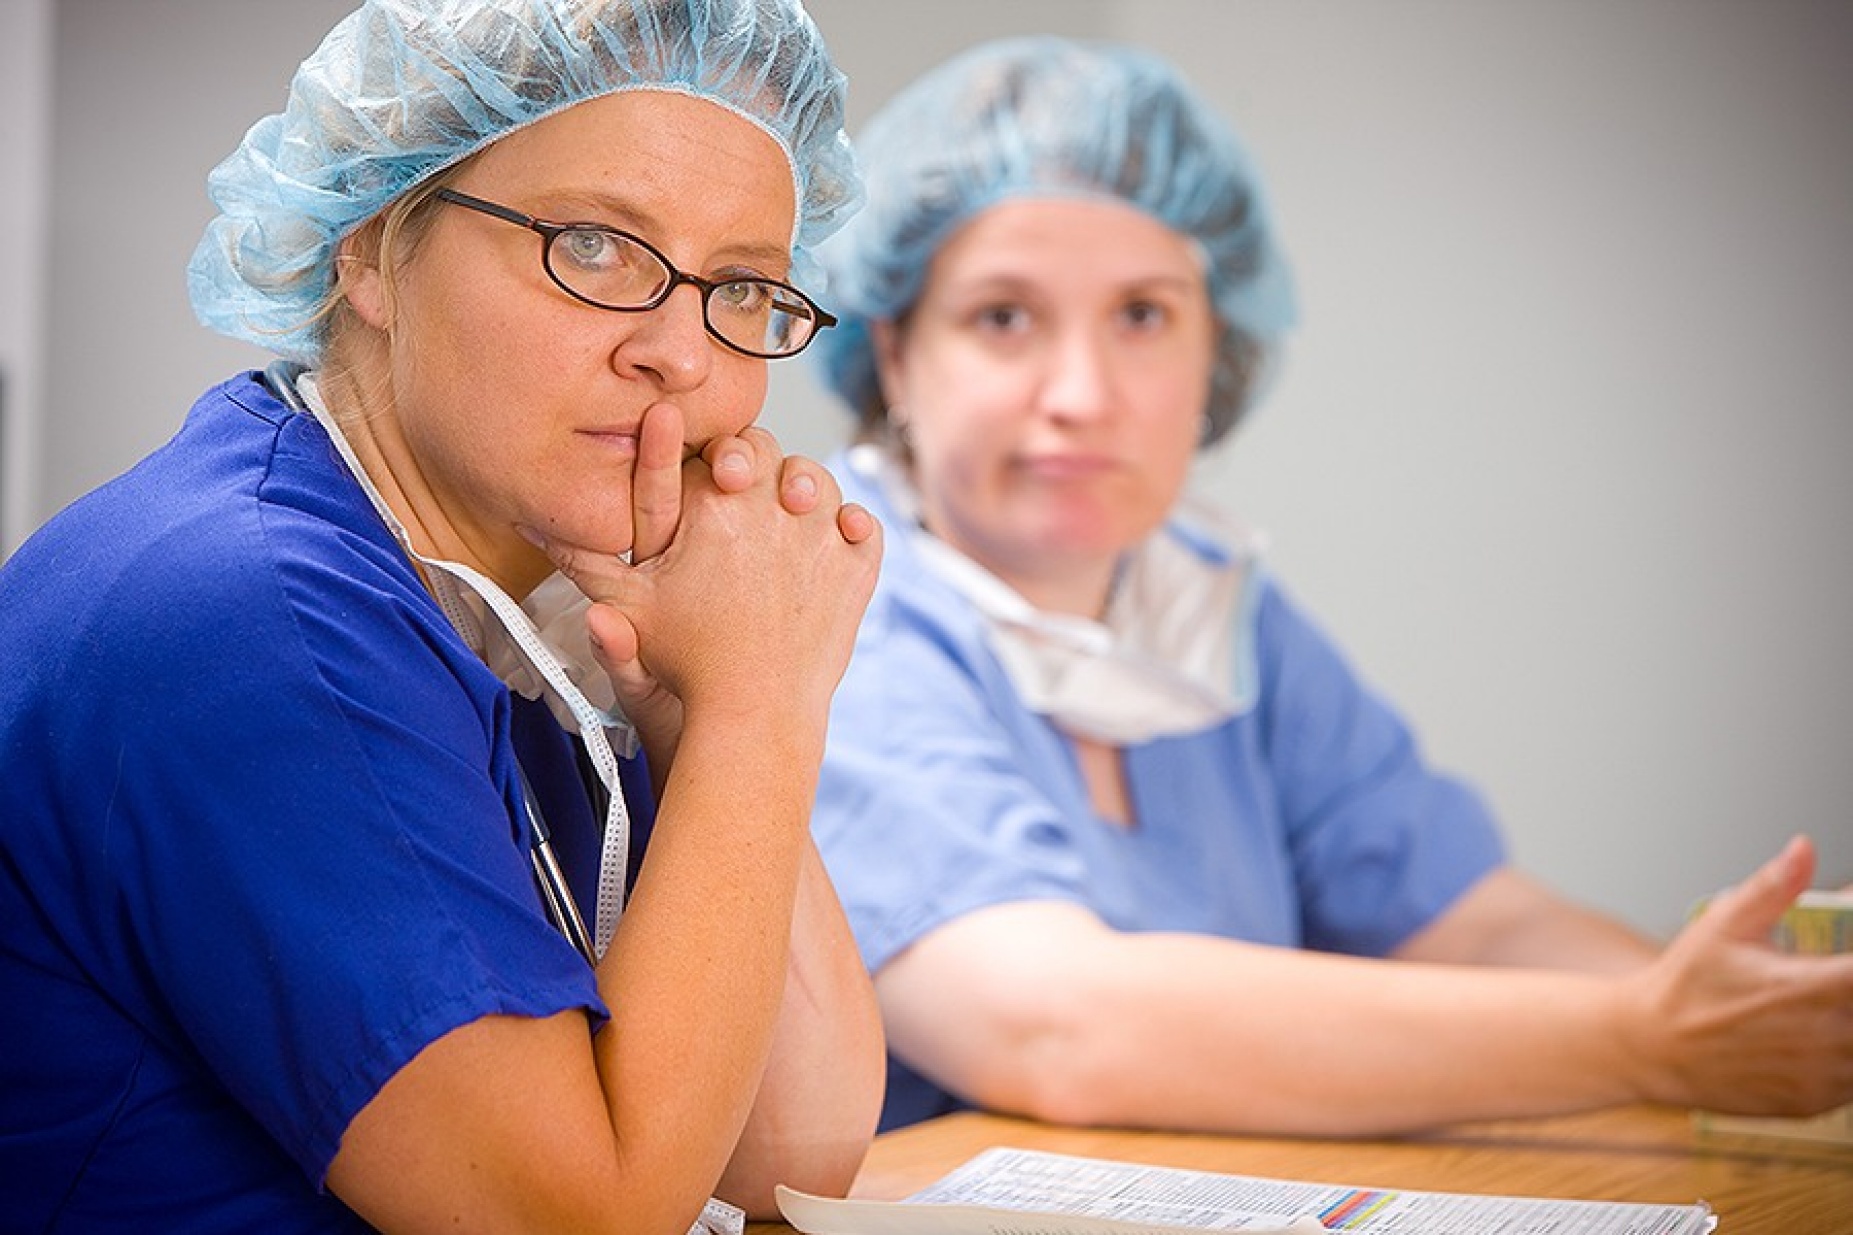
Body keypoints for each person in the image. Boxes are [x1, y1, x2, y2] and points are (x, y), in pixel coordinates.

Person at [804, 35, 1853, 1136]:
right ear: (892, 354)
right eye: (1003, 317)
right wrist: (1643, 1039)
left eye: (1142, 315)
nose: (1081, 391)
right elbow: (1053, 1023)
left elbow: (1472, 923)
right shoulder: (831, 608)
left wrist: (1752, 1009)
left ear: (1216, 355)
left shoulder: (1205, 615)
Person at [0, 0, 886, 1229]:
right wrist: (757, 708)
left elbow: (794, 1150)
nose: (680, 353)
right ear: (369, 247)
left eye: (743, 287)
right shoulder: (250, 620)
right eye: (593, 245)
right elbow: (574, 1217)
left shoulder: (531, 623)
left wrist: (709, 706)